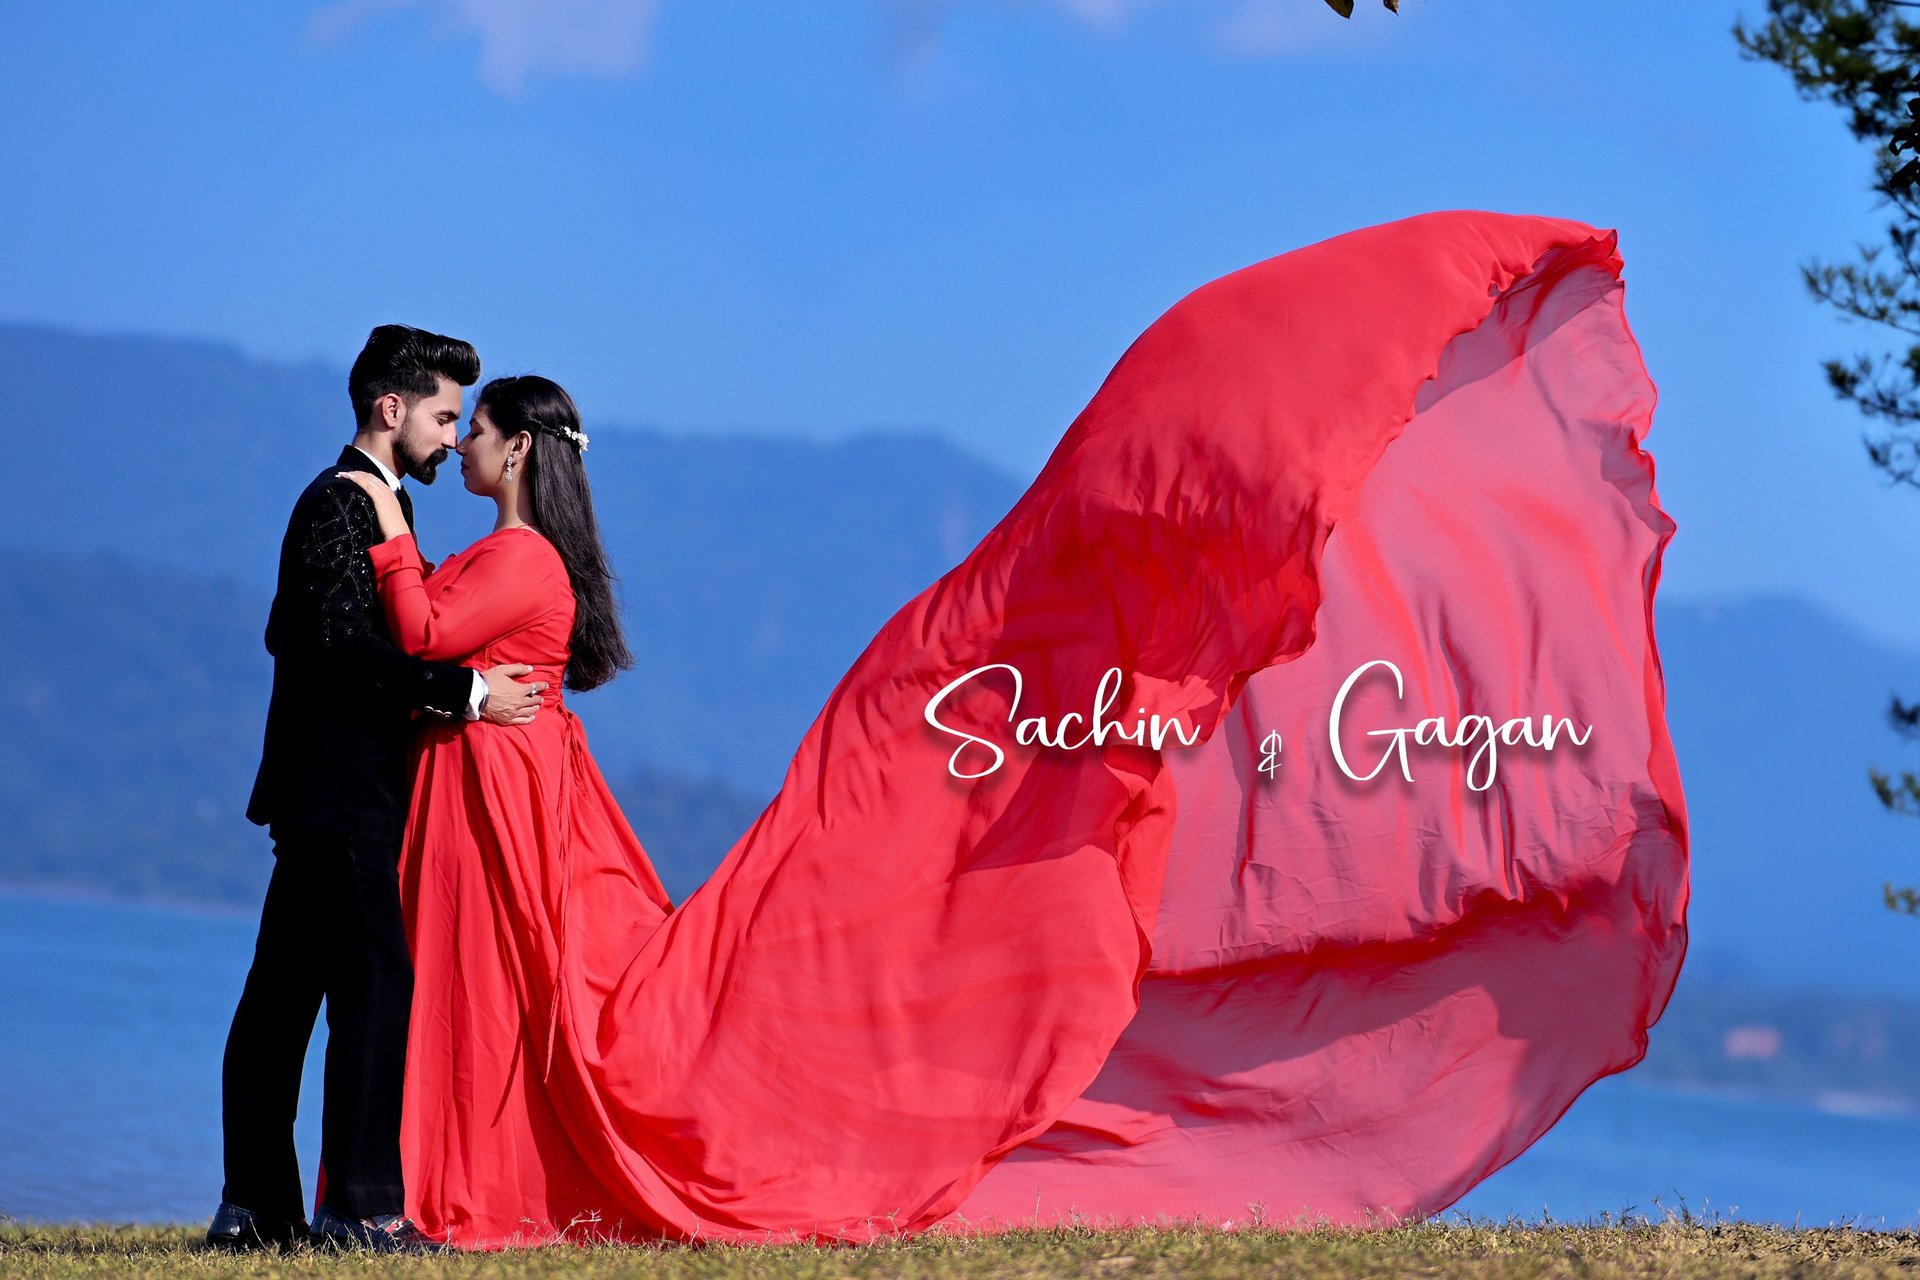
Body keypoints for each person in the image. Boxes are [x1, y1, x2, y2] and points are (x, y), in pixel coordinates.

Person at [358, 211, 1687, 1249]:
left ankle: (442, 1176)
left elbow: (416, 628)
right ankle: (427, 1173)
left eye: (468, 432)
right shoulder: (540, 563)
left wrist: (375, 509)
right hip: (514, 783)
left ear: (514, 448)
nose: (455, 446)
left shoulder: (516, 562)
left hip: (509, 783)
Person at [208, 325, 549, 1255]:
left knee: (284, 998)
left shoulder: (378, 503)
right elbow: (333, 646)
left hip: (340, 790)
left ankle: (259, 1212)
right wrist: (468, 694)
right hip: (339, 790)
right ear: (388, 408)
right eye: (443, 415)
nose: (451, 436)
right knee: (368, 984)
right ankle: (358, 1211)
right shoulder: (341, 502)